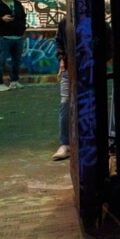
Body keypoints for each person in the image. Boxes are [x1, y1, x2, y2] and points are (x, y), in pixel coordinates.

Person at [52, 17, 69, 160]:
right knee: (66, 104)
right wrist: (62, 59)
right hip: (69, 70)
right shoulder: (65, 22)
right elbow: (59, 42)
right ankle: (65, 143)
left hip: (88, 70)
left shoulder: (98, 21)